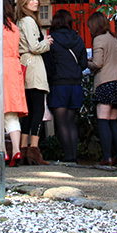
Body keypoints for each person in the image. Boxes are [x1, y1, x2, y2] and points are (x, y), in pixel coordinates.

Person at [42, 9, 88, 163]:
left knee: (61, 122)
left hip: (58, 85)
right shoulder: (78, 39)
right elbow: (83, 63)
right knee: (70, 121)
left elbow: (49, 64)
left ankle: (67, 156)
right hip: (75, 85)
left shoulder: (52, 40)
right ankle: (73, 155)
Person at [15, 0, 53, 165]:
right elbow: (34, 47)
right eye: (32, 0)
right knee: (38, 109)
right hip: (33, 66)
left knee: (27, 112)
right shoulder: (29, 21)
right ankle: (34, 149)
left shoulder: (20, 22)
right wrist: (47, 42)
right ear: (24, 3)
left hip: (24, 65)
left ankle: (23, 149)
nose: (36, 2)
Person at [88, 11, 117, 166]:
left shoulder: (99, 39)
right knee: (114, 121)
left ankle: (107, 156)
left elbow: (98, 63)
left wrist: (87, 63)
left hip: (106, 82)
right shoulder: (115, 40)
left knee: (103, 120)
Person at [2, 0, 28, 166]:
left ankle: (3, 152)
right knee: (11, 115)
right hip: (14, 66)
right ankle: (17, 149)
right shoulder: (14, 27)